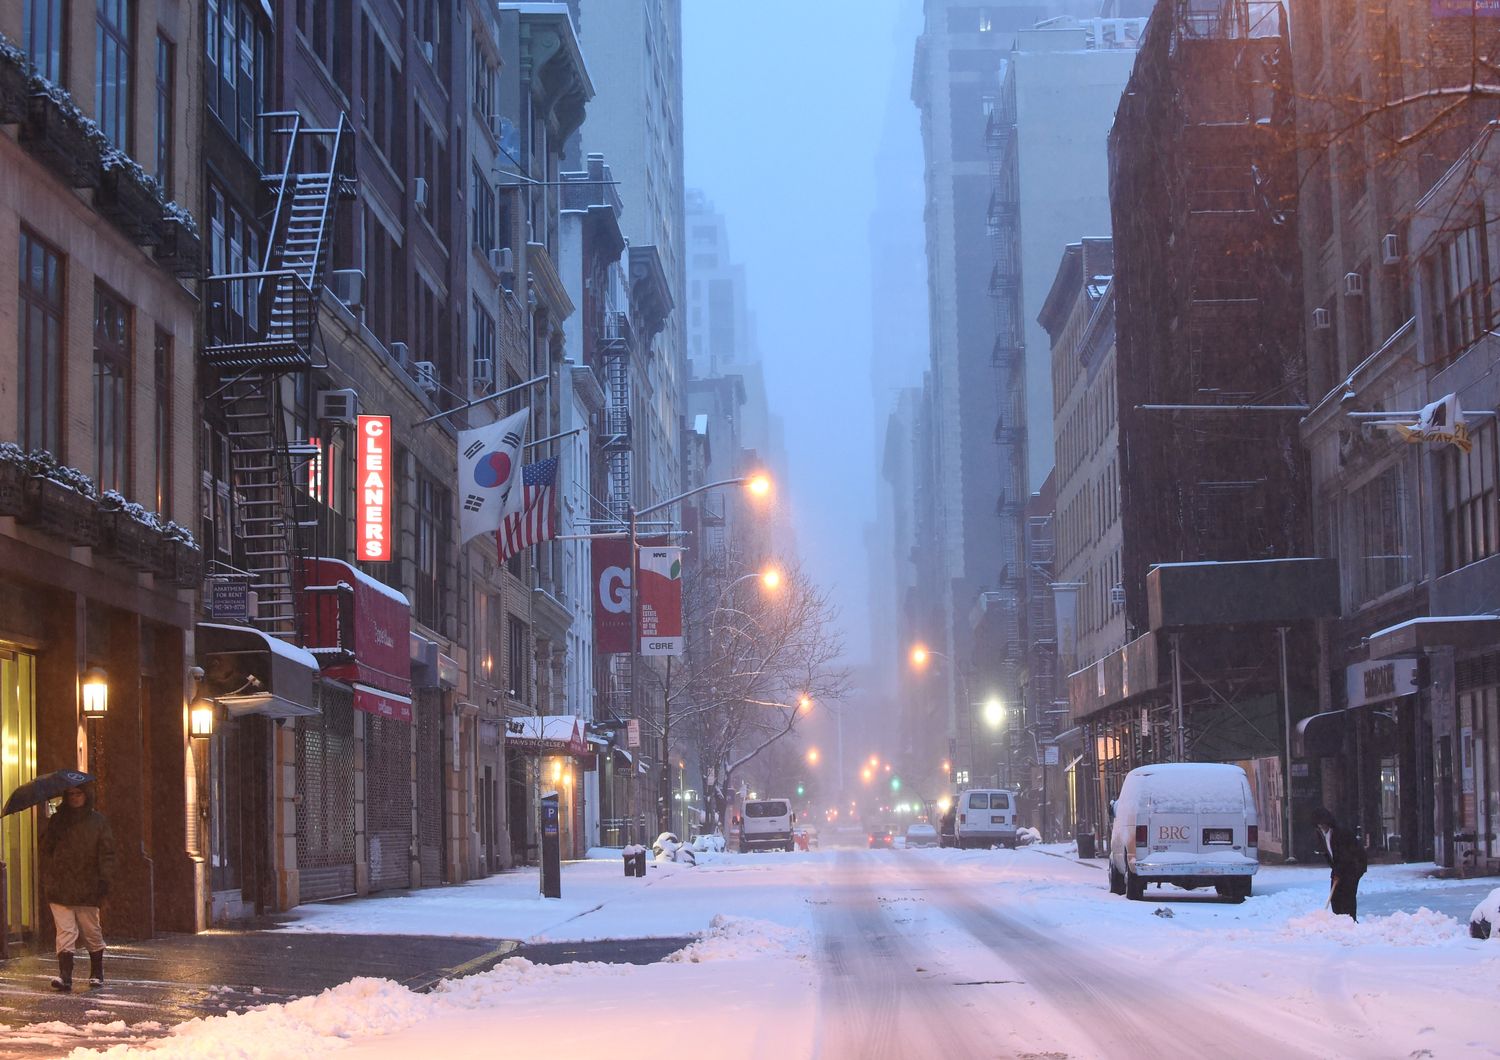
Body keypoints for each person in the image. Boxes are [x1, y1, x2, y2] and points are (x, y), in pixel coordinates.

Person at [39, 783, 117, 991]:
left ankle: (97, 972)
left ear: (86, 795)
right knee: (65, 931)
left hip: (87, 887)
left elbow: (107, 853)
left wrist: (104, 880)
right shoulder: (57, 820)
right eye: (71, 794)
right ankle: (65, 976)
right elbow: (46, 850)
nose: (75, 798)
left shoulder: (98, 822)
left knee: (91, 931)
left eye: (78, 793)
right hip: (60, 885)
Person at [1311, 806, 1367, 921]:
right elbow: (1328, 853)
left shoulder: (1340, 832)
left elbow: (1345, 855)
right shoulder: (1320, 834)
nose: (1321, 827)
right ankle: (1338, 922)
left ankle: (1350, 923)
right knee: (1335, 897)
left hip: (1354, 865)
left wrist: (1338, 871)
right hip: (1340, 865)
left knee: (1347, 895)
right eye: (1319, 825)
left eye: (1323, 824)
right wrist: (1335, 870)